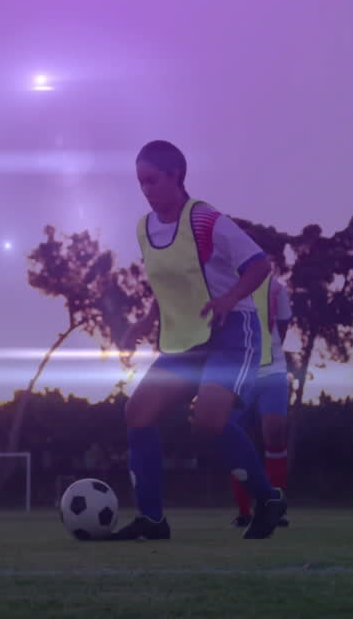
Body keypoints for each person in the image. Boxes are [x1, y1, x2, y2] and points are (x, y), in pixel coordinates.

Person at [114, 140, 287, 540]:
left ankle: (268, 498)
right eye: (141, 182)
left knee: (209, 420)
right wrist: (146, 320)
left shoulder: (206, 220)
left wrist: (229, 298)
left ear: (176, 175)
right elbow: (167, 283)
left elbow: (260, 264)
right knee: (137, 414)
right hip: (185, 340)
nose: (146, 189)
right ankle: (152, 521)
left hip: (230, 333)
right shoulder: (144, 228)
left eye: (152, 180)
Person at [229, 276, 292, 529]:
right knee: (234, 436)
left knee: (274, 430)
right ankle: (244, 511)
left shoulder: (276, 288)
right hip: (237, 371)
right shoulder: (220, 283)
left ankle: (275, 506)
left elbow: (284, 324)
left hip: (272, 370)